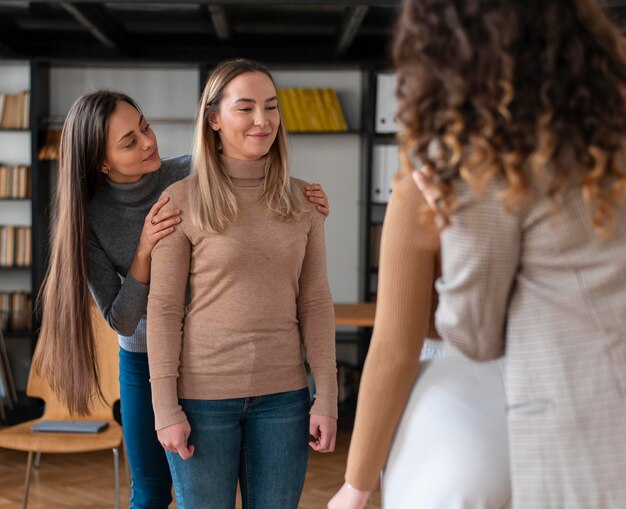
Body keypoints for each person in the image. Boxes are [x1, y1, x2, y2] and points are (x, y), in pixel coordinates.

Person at [33, 89, 330, 509]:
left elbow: (258, 199)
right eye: (130, 142)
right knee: (151, 492)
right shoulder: (90, 220)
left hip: (206, 357)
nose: (149, 142)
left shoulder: (190, 174)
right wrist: (143, 252)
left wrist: (305, 201)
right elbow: (121, 318)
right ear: (102, 162)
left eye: (145, 127)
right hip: (142, 356)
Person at [393, 0, 626, 507]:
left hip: (581, 432)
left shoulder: (491, 157)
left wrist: (450, 219)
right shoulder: (610, 131)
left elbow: (472, 336)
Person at [146, 58, 338, 509]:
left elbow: (315, 301)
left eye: (271, 108)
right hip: (201, 399)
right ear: (213, 118)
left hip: (285, 400)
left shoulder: (304, 199)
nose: (262, 120)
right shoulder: (181, 199)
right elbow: (164, 308)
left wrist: (325, 396)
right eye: (245, 107)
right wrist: (164, 407)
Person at [328, 172, 510, 508]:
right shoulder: (582, 183)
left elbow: (395, 353)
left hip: (453, 411)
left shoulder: (427, 187)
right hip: (563, 407)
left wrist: (356, 485)